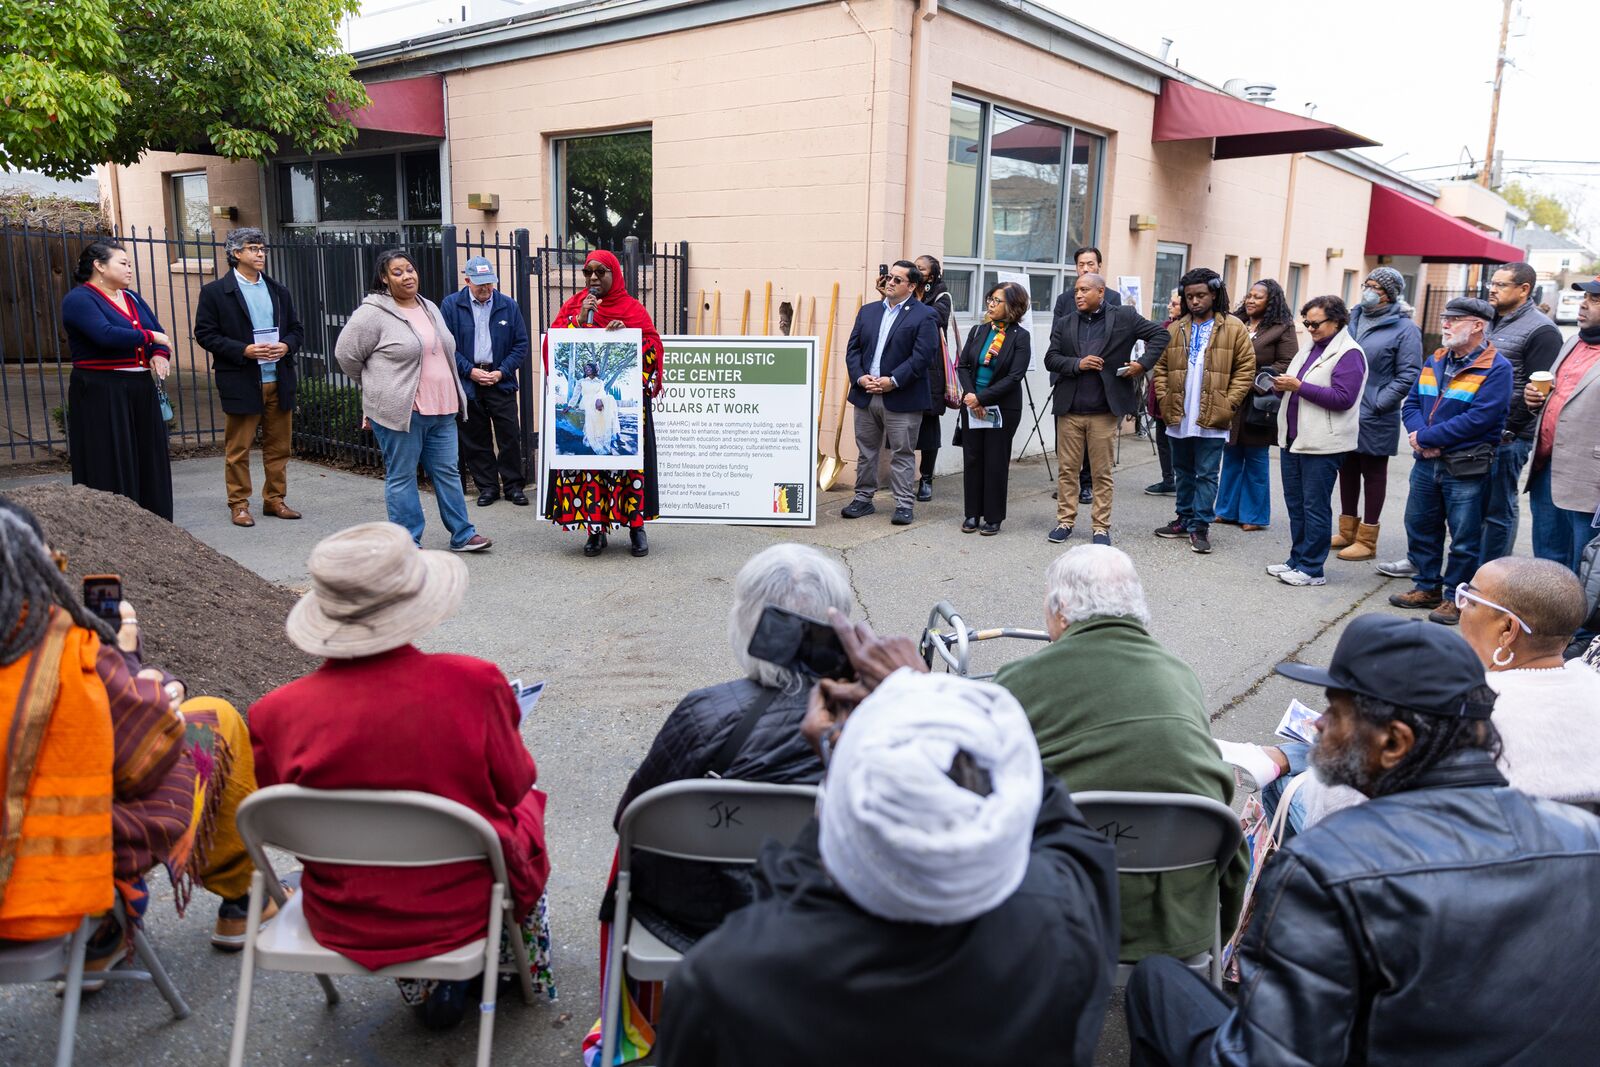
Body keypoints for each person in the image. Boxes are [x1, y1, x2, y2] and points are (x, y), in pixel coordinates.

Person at [1126, 613, 1600, 1067]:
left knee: (1157, 981)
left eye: (1335, 710)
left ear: (1394, 743)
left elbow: (1268, 1058)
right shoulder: (1584, 837)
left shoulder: (1328, 868)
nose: (1316, 724)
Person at [657, 618, 1120, 1067]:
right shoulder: (1064, 926)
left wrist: (844, 751)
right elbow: (1045, 805)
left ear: (839, 813)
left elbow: (799, 880)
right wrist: (923, 690)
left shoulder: (728, 980)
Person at [249, 522, 554, 1028]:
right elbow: (515, 784)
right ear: (414, 604)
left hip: (344, 911)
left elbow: (281, 819)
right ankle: (512, 964)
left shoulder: (273, 713)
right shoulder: (473, 683)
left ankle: (430, 985)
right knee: (524, 806)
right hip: (463, 903)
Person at [0, 500, 272, 974]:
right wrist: (128, 663)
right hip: (51, 888)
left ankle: (107, 932)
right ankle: (240, 899)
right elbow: (146, 758)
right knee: (213, 718)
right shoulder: (66, 649)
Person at [994, 544, 1246, 962]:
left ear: (1061, 611)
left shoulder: (1018, 682)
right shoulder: (1181, 676)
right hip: (1180, 920)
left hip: (1060, 912)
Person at [609, 544, 848, 945]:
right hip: (826, 918)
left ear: (747, 621)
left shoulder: (704, 713)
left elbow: (630, 821)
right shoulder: (872, 722)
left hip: (701, 920)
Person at [334, 249, 491, 554]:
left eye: (410, 270)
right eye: (397, 272)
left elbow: (442, 350)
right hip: (402, 411)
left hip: (442, 407)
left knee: (447, 471)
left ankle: (462, 534)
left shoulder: (429, 306)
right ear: (384, 278)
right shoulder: (372, 313)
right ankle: (407, 541)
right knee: (402, 475)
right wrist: (377, 388)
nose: (407, 276)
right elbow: (346, 356)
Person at [1388, 297, 1511, 625]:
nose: (1445, 323)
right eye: (1445, 317)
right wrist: (1418, 436)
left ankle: (1454, 597)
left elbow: (1481, 419)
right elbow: (1411, 403)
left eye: (1455, 319)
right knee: (1420, 525)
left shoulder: (1497, 367)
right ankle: (1426, 585)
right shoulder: (1436, 358)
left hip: (1466, 465)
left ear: (1477, 326)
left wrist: (1428, 439)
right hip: (1426, 462)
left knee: (1464, 536)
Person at [545, 249, 663, 558]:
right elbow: (551, 346)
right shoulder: (573, 307)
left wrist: (628, 337)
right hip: (588, 411)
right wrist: (578, 321)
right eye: (588, 272)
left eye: (601, 272)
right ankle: (595, 530)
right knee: (591, 470)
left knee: (627, 468)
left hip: (619, 411)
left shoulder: (632, 308)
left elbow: (652, 346)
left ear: (614, 274)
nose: (594, 278)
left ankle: (636, 528)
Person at [1043, 273, 1169, 546]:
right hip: (1070, 410)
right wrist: (1078, 364)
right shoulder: (1066, 323)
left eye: (1084, 289)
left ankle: (1100, 527)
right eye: (1076, 289)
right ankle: (1065, 521)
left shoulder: (1124, 316)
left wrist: (1142, 365)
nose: (1078, 294)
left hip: (1103, 412)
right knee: (1067, 470)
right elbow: (1050, 359)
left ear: (1101, 292)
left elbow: (1160, 334)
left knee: (1101, 473)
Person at [193, 227, 305, 529]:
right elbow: (204, 334)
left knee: (279, 446)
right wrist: (244, 350)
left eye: (262, 249)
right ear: (235, 253)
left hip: (278, 378)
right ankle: (239, 504)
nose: (260, 254)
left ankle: (275, 500)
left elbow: (296, 329)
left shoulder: (279, 290)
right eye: (253, 248)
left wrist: (286, 345)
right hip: (241, 379)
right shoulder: (216, 292)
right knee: (239, 449)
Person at [60, 241, 175, 520]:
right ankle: (113, 521)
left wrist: (160, 354)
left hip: (139, 388)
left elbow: (160, 334)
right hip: (102, 389)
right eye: (122, 263)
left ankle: (153, 519)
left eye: (130, 264)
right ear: (99, 266)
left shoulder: (132, 297)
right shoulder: (79, 299)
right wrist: (150, 338)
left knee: (148, 457)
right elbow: (105, 335)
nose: (129, 269)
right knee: (110, 457)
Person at [1151, 267, 1255, 555]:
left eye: (1201, 295)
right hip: (1178, 412)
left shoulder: (1233, 327)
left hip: (1214, 414)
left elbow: (1246, 370)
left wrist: (1228, 403)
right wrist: (1163, 396)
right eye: (1189, 296)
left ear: (1214, 293)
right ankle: (1183, 519)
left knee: (1207, 473)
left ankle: (1200, 526)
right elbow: (1160, 368)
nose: (1195, 301)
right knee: (1182, 470)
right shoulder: (1176, 328)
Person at [1265, 296, 1366, 587]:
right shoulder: (1310, 347)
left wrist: (1298, 386)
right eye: (1306, 323)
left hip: (1324, 443)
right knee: (1296, 504)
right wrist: (1280, 386)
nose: (1310, 328)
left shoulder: (1349, 353)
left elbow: (1344, 399)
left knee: (1315, 506)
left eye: (1316, 323)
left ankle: (1312, 569)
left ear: (1336, 321)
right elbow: (1296, 386)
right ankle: (1297, 559)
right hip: (1294, 438)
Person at [841, 260, 940, 526]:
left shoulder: (924, 315)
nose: (890, 282)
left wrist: (893, 381)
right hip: (866, 393)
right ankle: (863, 499)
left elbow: (922, 357)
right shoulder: (868, 312)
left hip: (902, 396)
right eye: (888, 278)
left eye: (898, 279)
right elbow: (853, 350)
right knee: (866, 452)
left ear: (911, 285)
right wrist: (861, 377)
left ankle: (904, 504)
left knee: (902, 453)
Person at [1335, 267, 1423, 563]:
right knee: (1346, 469)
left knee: (1373, 473)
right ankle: (1347, 531)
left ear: (1390, 295)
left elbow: (1409, 372)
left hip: (1375, 412)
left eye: (1376, 287)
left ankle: (1367, 539)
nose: (1368, 291)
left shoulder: (1405, 329)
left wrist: (1378, 402)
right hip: (1344, 407)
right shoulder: (1351, 318)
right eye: (1367, 284)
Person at [1482, 262, 1563, 560]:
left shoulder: (1542, 331)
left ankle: (1495, 576)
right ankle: (1473, 569)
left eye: (1501, 285)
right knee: (1476, 505)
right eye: (1492, 283)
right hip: (1477, 429)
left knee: (1499, 507)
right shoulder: (1487, 319)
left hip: (1509, 437)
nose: (1492, 289)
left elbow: (1538, 392)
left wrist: (1509, 431)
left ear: (1524, 289)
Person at [1522, 275, 1600, 575]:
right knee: (1548, 561)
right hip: (1548, 469)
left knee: (1585, 565)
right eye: (1585, 298)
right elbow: (1560, 398)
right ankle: (1550, 620)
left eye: (1595, 300)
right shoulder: (1572, 343)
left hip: (1590, 479)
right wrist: (1535, 402)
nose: (1584, 305)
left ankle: (1581, 625)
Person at [440, 256, 531, 507]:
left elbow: (520, 344)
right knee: (475, 437)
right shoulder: (450, 306)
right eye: (480, 284)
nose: (486, 288)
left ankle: (513, 486)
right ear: (467, 280)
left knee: (509, 435)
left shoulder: (507, 305)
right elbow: (447, 347)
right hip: (469, 381)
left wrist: (502, 371)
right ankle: (488, 487)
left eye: (489, 283)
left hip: (500, 379)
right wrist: (469, 371)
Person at [1215, 280, 1297, 532]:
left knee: (1255, 458)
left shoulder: (1282, 327)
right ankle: (1226, 510)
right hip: (1231, 399)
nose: (1250, 300)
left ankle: (1254, 515)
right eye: (1249, 295)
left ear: (1270, 301)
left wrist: (1255, 381)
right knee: (1230, 455)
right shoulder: (1235, 321)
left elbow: (1288, 361)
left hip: (1259, 402)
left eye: (1257, 297)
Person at [956, 281, 1031, 535]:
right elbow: (963, 366)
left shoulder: (1021, 336)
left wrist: (982, 399)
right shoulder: (978, 331)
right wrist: (970, 396)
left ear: (1013, 306)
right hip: (972, 404)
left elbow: (1014, 376)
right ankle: (972, 513)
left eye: (997, 301)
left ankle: (993, 516)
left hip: (1002, 408)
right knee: (973, 458)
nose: (991, 304)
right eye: (990, 298)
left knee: (996, 461)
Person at [1052, 247, 1124, 505]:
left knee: (1096, 444)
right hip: (1069, 376)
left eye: (1090, 264)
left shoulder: (1114, 298)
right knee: (1067, 442)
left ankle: (1087, 483)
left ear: (1099, 266)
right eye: (1081, 264)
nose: (1085, 268)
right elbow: (1056, 341)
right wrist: (1075, 362)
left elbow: (1117, 338)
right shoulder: (1065, 300)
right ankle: (1068, 486)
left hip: (1100, 381)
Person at [913, 254, 953, 502]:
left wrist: (912, 301)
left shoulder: (941, 296)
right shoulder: (906, 292)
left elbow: (932, 318)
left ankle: (926, 478)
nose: (917, 271)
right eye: (914, 267)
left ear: (933, 274)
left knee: (928, 426)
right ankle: (903, 477)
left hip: (931, 369)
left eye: (921, 268)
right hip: (906, 366)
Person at [1143, 288, 1182, 497]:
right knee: (1162, 439)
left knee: (1177, 440)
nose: (1169, 306)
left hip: (1178, 393)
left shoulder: (1188, 329)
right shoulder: (1165, 326)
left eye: (1174, 303)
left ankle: (1181, 479)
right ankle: (1168, 479)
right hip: (1160, 392)